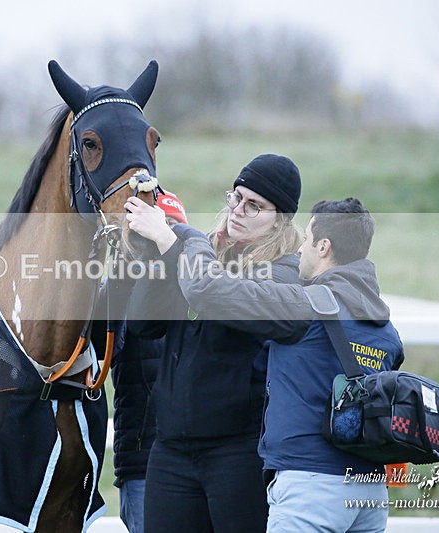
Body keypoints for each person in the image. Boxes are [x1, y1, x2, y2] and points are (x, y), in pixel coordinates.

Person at [132, 196, 404, 532]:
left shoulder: (302, 306)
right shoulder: (385, 329)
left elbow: (206, 290)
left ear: (323, 247)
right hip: (369, 493)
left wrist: (187, 236)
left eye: (305, 240)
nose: (299, 249)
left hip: (310, 487)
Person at [123, 154, 304, 532]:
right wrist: (154, 254)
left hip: (240, 452)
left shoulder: (286, 269)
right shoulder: (198, 252)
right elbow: (143, 324)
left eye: (254, 205)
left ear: (281, 219)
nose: (238, 210)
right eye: (235, 197)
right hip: (170, 450)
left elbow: (214, 294)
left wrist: (173, 239)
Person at [111, 191, 188, 533]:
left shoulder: (201, 286)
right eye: (155, 229)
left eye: (171, 229)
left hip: (192, 461)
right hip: (144, 461)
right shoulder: (122, 291)